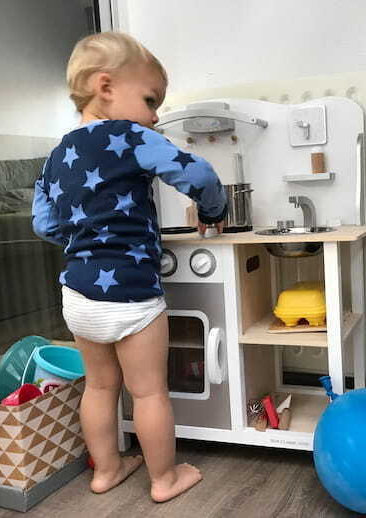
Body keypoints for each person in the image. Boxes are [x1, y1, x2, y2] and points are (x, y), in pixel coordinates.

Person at [32, 31, 227, 502]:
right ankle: (164, 479)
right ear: (106, 87)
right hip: (132, 293)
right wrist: (213, 211)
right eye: (149, 99)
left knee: (98, 388)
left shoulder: (57, 155)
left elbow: (42, 222)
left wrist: (82, 238)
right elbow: (198, 174)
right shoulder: (131, 135)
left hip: (77, 294)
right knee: (148, 394)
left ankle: (106, 471)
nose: (156, 114)